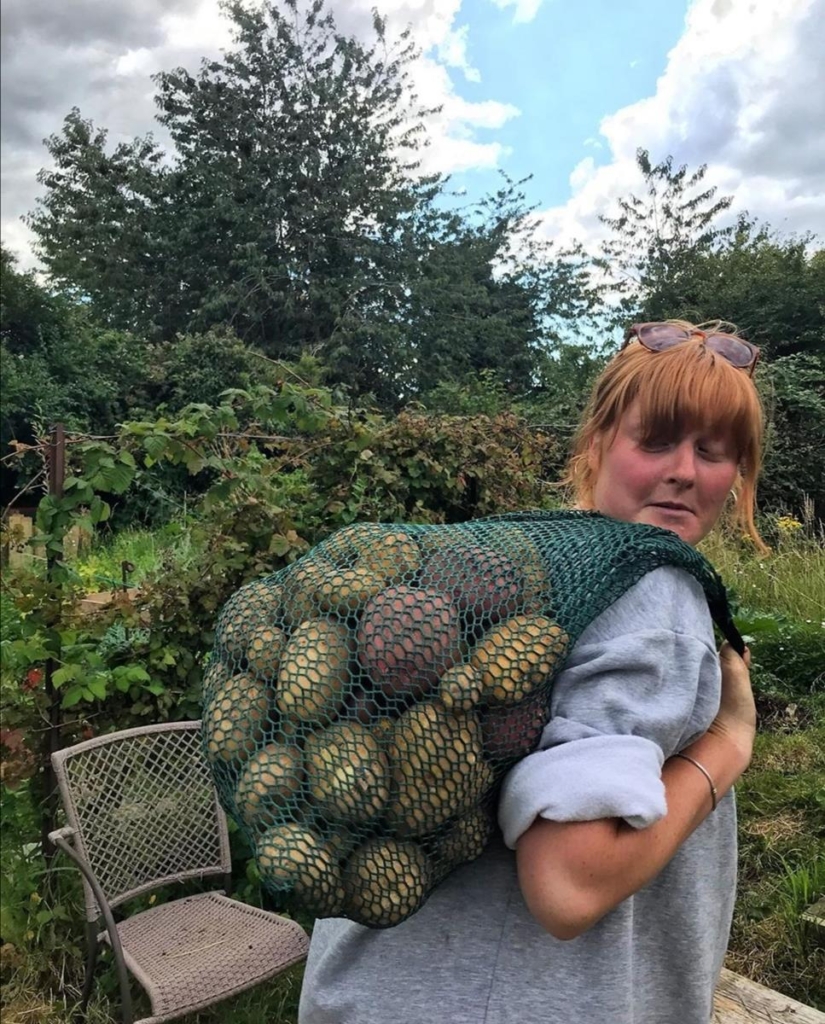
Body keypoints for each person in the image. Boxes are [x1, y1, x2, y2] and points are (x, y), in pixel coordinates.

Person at [298, 319, 765, 1024]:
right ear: (598, 440)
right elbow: (567, 883)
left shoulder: (522, 562)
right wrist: (727, 744)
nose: (684, 471)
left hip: (376, 985)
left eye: (712, 450)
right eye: (657, 440)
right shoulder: (654, 594)